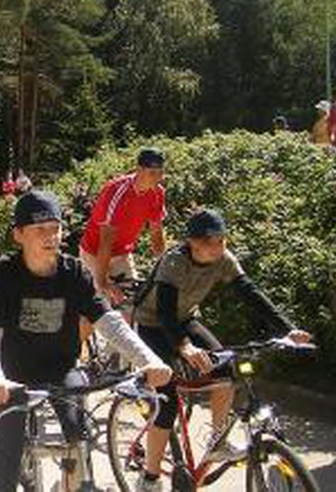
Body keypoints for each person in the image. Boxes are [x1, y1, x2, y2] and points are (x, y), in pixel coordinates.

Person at [0, 190, 172, 492]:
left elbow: (108, 320)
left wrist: (147, 359)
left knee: (80, 439)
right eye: (40, 229)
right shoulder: (5, 273)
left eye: (55, 228)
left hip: (61, 369)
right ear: (19, 235)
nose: (50, 236)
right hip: (12, 378)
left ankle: (73, 485)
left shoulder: (74, 272)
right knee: (7, 463)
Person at [132, 209, 312, 492]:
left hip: (185, 319)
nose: (219, 246)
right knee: (166, 399)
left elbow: (250, 292)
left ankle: (217, 442)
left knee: (227, 372)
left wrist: (286, 329)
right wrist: (185, 347)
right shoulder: (174, 262)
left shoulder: (224, 260)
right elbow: (165, 312)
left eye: (222, 239)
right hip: (152, 324)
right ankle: (150, 477)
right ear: (193, 242)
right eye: (211, 241)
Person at [79, 147, 166, 303]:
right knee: (100, 308)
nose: (157, 178)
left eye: (160, 173)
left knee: (132, 305)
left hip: (122, 253)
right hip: (94, 253)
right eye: (152, 173)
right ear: (139, 170)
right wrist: (104, 283)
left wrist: (165, 269)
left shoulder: (157, 193)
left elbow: (156, 233)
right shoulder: (117, 191)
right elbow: (105, 241)